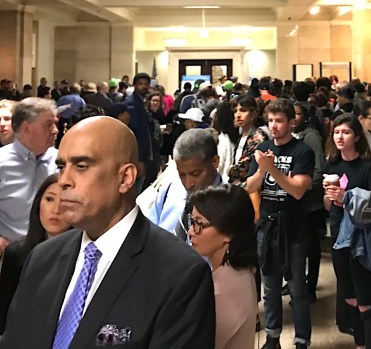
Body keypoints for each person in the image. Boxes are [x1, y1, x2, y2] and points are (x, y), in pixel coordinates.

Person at [0, 116, 215, 348]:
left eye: (81, 166)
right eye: (62, 167)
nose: (63, 181)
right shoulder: (41, 258)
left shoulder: (181, 273)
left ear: (125, 178)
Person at [246, 98, 314, 349]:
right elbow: (250, 187)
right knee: (269, 285)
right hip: (267, 224)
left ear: (291, 122)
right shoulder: (263, 148)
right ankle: (272, 335)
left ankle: (301, 339)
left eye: (279, 121)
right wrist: (262, 170)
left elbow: (298, 190)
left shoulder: (302, 151)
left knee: (296, 286)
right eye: (270, 121)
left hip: (292, 225)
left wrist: (272, 169)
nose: (274, 126)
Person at [324, 113, 371, 349]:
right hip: (339, 236)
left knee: (365, 300)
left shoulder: (368, 168)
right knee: (349, 297)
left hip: (363, 238)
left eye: (346, 132)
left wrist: (346, 196)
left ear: (357, 136)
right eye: (337, 132)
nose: (340, 136)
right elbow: (330, 206)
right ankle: (360, 344)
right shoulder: (333, 166)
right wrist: (329, 194)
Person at [0, 173, 71, 334]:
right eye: (50, 199)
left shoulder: (84, 256)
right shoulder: (16, 253)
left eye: (65, 202)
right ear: (38, 203)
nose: (56, 210)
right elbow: (4, 312)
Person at [189, 184, 258, 349]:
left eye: (199, 224)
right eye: (192, 221)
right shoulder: (237, 271)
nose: (191, 231)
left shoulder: (222, 292)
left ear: (228, 234)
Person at [0, 98, 59, 251]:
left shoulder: (61, 161)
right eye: (48, 125)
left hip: (55, 250)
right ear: (27, 128)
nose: (55, 130)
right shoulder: (2, 163)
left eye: (55, 124)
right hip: (10, 252)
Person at [147, 129, 222, 239]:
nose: (188, 184)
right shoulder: (168, 193)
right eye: (182, 174)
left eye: (196, 174)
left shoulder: (229, 203)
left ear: (214, 162)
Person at [293, 101, 326, 302]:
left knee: (312, 247)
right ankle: (298, 283)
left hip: (310, 201)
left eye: (297, 114)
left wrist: (301, 185)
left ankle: (311, 286)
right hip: (296, 200)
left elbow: (318, 169)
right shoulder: (293, 136)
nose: (295, 117)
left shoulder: (310, 136)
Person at [228, 95, 269, 185]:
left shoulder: (259, 136)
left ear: (254, 113)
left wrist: (230, 170)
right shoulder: (241, 135)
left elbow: (245, 169)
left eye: (243, 110)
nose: (238, 115)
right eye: (235, 111)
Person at [124, 72, 154, 187]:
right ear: (134, 85)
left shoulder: (142, 102)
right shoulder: (132, 104)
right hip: (139, 156)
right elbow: (134, 133)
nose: (144, 87)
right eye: (140, 84)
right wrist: (139, 159)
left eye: (146, 84)